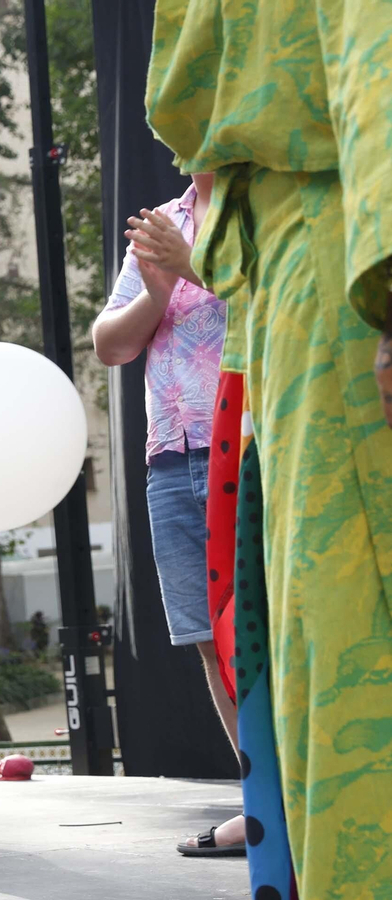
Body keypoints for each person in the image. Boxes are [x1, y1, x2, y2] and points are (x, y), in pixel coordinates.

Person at [146, 3, 392, 896]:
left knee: (346, 633)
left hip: (339, 269)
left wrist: (388, 287)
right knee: (284, 638)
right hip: (278, 295)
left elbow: (376, 64)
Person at [91, 174, 246, 857]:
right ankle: (264, 801)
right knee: (211, 640)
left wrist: (193, 268)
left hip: (249, 445)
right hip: (170, 456)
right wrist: (158, 289)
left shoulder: (264, 194)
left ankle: (308, 796)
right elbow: (110, 342)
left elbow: (292, 303)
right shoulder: (164, 218)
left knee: (265, 630)